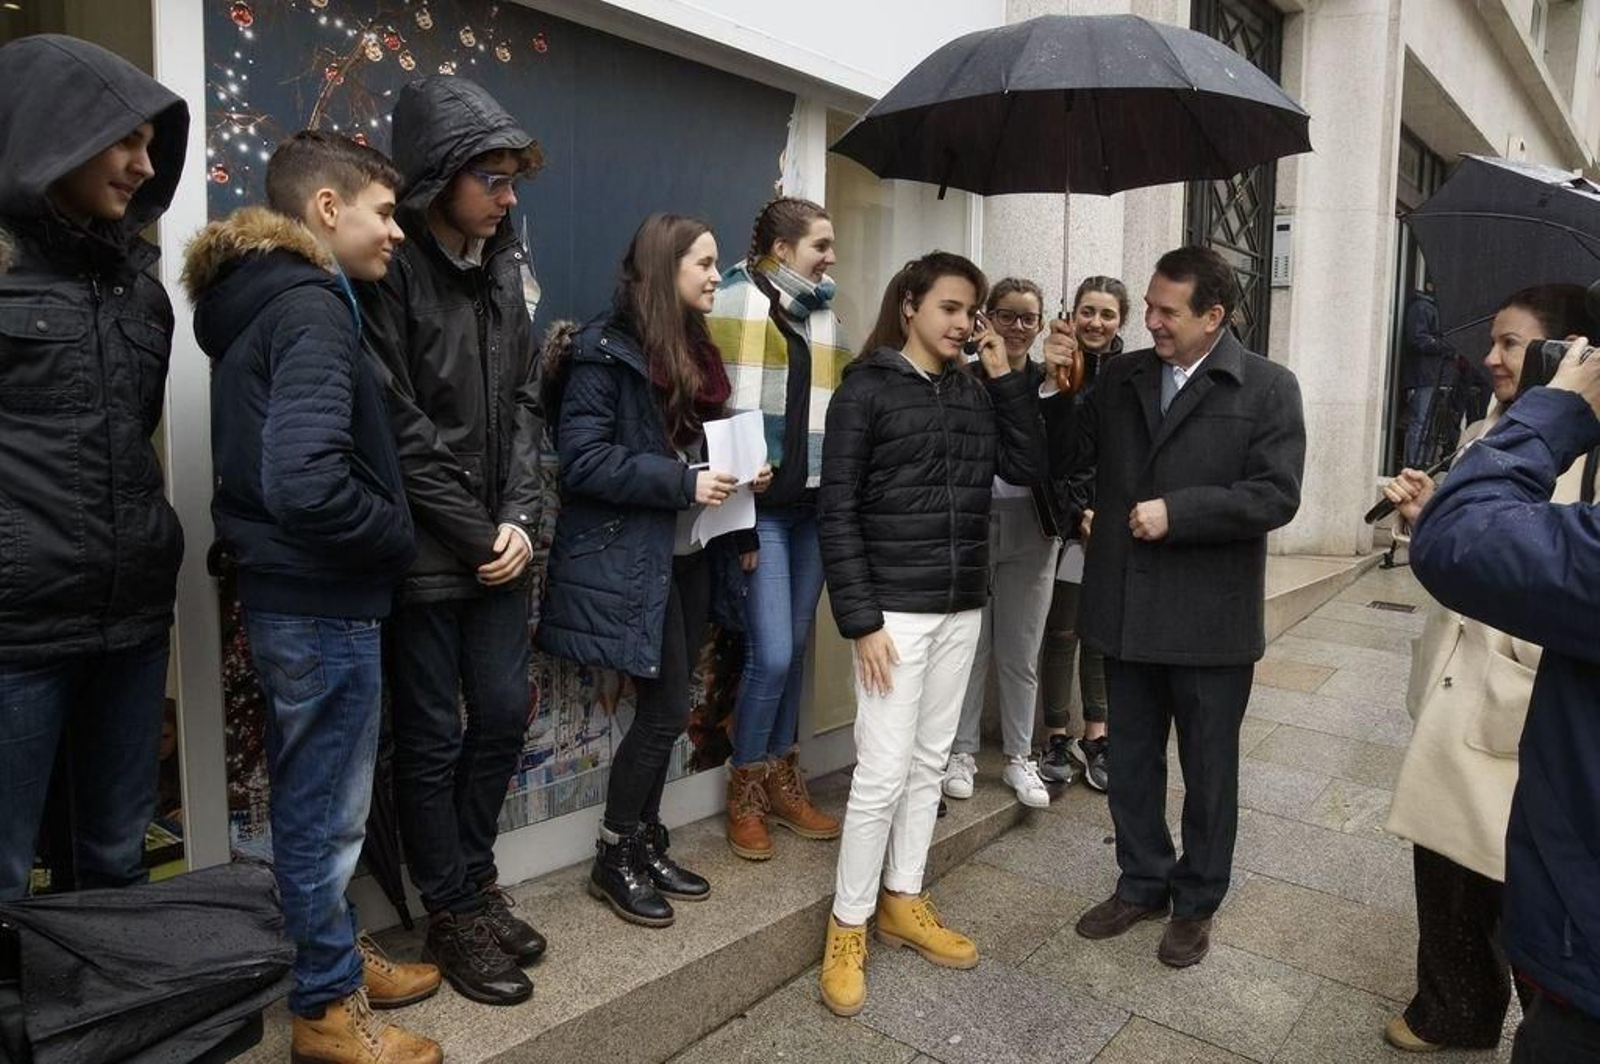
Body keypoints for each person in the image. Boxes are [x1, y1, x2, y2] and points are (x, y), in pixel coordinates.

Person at [186, 130, 441, 1064]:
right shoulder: (311, 306)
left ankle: (332, 957)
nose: (398, 234)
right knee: (325, 809)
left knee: (314, 794)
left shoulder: (260, 298)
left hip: (298, 589)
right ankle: (328, 1011)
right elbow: (303, 481)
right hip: (324, 594)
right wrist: (396, 535)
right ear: (326, 210)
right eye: (385, 212)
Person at [1053, 246, 1305, 969]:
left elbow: (1276, 494)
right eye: (1152, 308)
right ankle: (1141, 881)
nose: (1152, 322)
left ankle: (1196, 903)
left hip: (1209, 622)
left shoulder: (1267, 387)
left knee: (1208, 771)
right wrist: (1062, 380)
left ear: (1213, 316)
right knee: (1130, 761)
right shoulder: (1124, 375)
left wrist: (1180, 512)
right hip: (1126, 608)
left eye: (1167, 311)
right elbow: (1069, 458)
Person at [357, 76, 546, 1007]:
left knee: (506, 716)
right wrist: (479, 533)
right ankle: (451, 908)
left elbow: (521, 404)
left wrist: (518, 520)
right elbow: (398, 427)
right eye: (493, 178)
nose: (510, 196)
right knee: (431, 738)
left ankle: (473, 882)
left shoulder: (506, 266)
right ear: (442, 178)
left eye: (515, 179)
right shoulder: (389, 272)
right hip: (429, 555)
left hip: (497, 544)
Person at [817, 252, 1043, 1017]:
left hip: (959, 608)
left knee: (924, 764)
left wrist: (1006, 373)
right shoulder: (865, 390)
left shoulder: (977, 392)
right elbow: (836, 510)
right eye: (949, 307)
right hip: (894, 615)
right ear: (909, 305)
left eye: (970, 310)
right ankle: (847, 923)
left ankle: (901, 898)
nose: (961, 323)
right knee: (879, 772)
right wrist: (861, 620)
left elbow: (1029, 463)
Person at [539, 214, 768, 928]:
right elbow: (581, 461)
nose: (713, 275)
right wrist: (683, 481)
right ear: (665, 268)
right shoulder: (603, 353)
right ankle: (616, 853)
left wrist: (737, 473)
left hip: (693, 551)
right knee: (666, 708)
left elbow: (695, 453)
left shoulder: (696, 353)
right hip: (633, 558)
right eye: (702, 262)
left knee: (673, 706)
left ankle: (644, 839)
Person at [0, 35, 187, 902]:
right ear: (55, 134)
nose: (144, 166)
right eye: (126, 140)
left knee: (115, 862)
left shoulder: (141, 291)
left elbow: (130, 439)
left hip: (130, 624)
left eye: (152, 145)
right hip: (17, 635)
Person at [1380, 284, 1590, 1054]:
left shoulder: (1586, 457)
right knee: (1442, 867)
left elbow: (1543, 568)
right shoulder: (1484, 430)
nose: (1493, 358)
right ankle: (1453, 1009)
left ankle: (1526, 1016)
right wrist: (1432, 513)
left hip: (1520, 698)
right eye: (1493, 342)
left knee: (1511, 878)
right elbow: (1479, 549)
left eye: (1513, 344)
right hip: (1452, 681)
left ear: (1564, 353)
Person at [706, 197, 846, 860]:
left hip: (811, 508)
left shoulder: (823, 313)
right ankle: (747, 789)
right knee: (775, 652)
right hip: (756, 511)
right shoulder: (729, 303)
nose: (832, 256)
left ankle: (786, 782)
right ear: (783, 250)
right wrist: (734, 485)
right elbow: (710, 406)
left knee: (797, 647)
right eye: (821, 244)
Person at [943, 277, 1072, 809]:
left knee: (1020, 649)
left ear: (1041, 324)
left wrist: (1059, 387)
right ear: (986, 320)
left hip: (1033, 524)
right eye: (1006, 315)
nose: (1017, 327)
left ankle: (1020, 756)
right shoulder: (965, 379)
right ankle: (961, 752)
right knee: (970, 648)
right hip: (974, 522)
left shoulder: (1054, 381)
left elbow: (1067, 455)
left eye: (1028, 318)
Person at [1038, 275, 1128, 791]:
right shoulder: (1054, 367)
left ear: (1122, 321)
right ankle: (1056, 734)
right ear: (1072, 313)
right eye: (1087, 311)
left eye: (1107, 314)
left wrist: (1106, 513)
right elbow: (1054, 453)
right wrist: (1077, 515)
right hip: (1066, 524)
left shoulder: (1133, 373)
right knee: (1064, 628)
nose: (1096, 322)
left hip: (1112, 523)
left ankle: (1097, 734)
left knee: (1101, 634)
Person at [1401, 283, 1457, 468]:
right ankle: (1414, 463)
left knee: (1432, 424)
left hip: (1438, 376)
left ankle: (1424, 463)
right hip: (1425, 377)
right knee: (1421, 421)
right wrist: (1447, 345)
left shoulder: (1435, 308)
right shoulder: (1421, 307)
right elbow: (1417, 340)